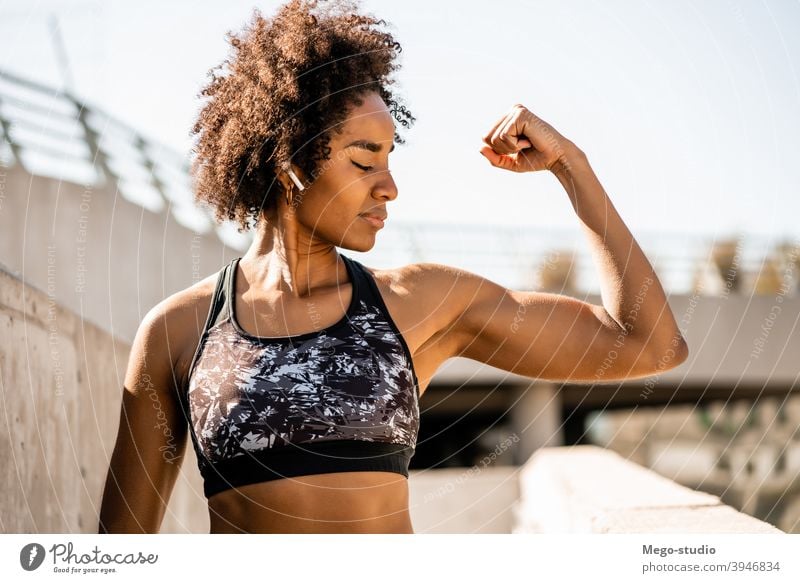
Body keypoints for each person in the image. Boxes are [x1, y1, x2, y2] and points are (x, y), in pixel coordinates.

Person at [98, 0, 688, 534]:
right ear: (290, 165)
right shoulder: (177, 333)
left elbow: (648, 344)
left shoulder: (420, 301)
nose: (390, 188)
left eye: (391, 158)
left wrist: (572, 168)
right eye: (364, 161)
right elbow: (118, 552)